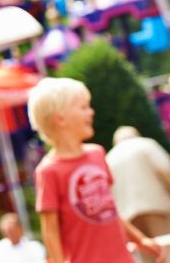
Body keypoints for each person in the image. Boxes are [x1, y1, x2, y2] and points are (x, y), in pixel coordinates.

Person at [27, 77, 164, 263]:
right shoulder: (49, 171)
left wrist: (140, 240)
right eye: (83, 107)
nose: (91, 112)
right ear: (60, 119)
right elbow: (50, 229)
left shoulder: (97, 154)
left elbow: (110, 211)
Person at [107, 126, 170, 251]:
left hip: (129, 219)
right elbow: (166, 171)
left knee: (147, 255)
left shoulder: (109, 158)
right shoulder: (147, 145)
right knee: (166, 250)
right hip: (158, 208)